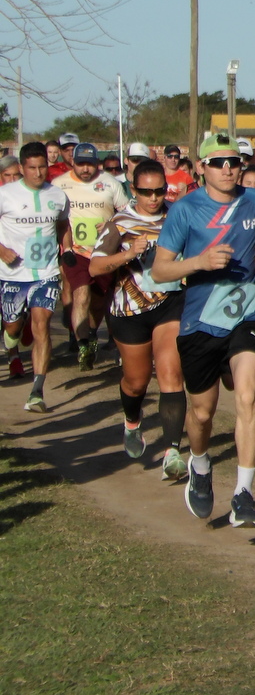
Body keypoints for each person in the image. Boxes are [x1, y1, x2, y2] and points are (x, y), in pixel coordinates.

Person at [151, 133, 255, 528]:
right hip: (200, 320)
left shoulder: (254, 199)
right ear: (201, 168)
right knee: (203, 412)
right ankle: (201, 463)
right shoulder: (185, 210)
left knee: (248, 395)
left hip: (249, 312)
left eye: (234, 162)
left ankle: (243, 493)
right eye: (218, 163)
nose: (227, 169)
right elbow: (160, 270)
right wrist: (199, 262)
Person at [90, 159, 188, 479]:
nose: (154, 197)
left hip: (170, 304)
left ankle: (172, 451)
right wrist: (129, 253)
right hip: (129, 311)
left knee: (170, 373)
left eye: (159, 191)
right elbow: (95, 267)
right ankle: (132, 421)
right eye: (146, 192)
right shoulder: (119, 223)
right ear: (134, 190)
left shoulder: (178, 215)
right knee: (136, 382)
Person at [0, 142, 72, 411]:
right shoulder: (5, 194)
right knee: (12, 327)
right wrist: (2, 250)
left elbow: (63, 224)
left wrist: (67, 248)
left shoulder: (57, 195)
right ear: (21, 168)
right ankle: (13, 333)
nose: (38, 173)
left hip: (46, 272)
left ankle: (36, 392)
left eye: (42, 167)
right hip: (12, 274)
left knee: (42, 325)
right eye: (32, 168)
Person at [53, 142, 130, 370]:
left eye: (90, 164)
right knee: (81, 293)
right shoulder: (59, 185)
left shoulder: (110, 183)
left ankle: (92, 333)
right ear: (72, 162)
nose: (85, 169)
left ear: (97, 163)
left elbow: (126, 214)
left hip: (104, 252)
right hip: (76, 251)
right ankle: (83, 345)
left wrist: (110, 225)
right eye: (80, 164)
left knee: (98, 302)